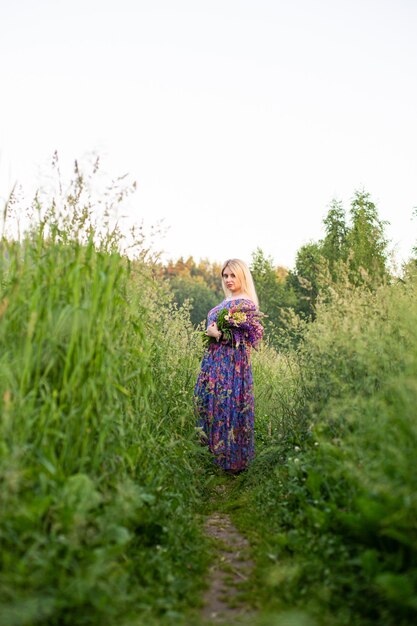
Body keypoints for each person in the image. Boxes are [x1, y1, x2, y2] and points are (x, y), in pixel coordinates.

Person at [194, 258, 263, 473]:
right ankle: (210, 456)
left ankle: (230, 461)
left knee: (227, 404)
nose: (228, 279)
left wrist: (219, 334)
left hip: (231, 364)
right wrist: (210, 333)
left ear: (242, 276)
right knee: (207, 401)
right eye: (225, 275)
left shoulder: (247, 304)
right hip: (214, 360)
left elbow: (246, 338)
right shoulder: (227, 300)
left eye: (233, 275)